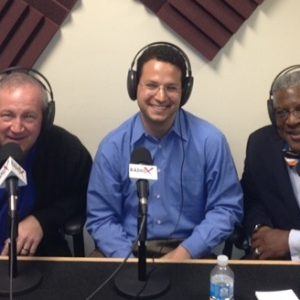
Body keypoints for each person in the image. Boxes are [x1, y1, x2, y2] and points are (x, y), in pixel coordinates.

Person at [86, 42, 243, 260]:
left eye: (171, 87)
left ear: (184, 92)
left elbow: (226, 208)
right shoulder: (113, 147)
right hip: (126, 251)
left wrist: (186, 251)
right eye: (151, 85)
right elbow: (101, 218)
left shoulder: (211, 142)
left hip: (190, 252)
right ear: (135, 87)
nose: (161, 97)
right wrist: (129, 262)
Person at [0, 68, 92, 256]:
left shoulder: (67, 150)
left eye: (29, 116)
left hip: (40, 254)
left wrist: (42, 220)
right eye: (7, 115)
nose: (17, 128)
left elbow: (83, 195)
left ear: (46, 117)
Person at [242, 65, 300, 260]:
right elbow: (252, 200)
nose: (291, 121)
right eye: (282, 112)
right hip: (277, 262)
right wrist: (261, 229)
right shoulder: (261, 145)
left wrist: (289, 241)